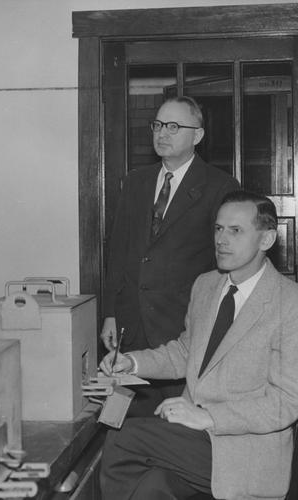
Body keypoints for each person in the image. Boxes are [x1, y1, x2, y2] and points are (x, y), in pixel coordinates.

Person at [99, 190, 298, 500]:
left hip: (242, 452)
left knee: (122, 438)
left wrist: (208, 417)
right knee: (150, 489)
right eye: (219, 229)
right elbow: (185, 353)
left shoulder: (290, 303)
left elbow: (286, 402)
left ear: (266, 239)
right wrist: (132, 362)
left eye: (235, 231)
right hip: (191, 439)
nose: (222, 239)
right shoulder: (206, 285)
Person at [101, 96, 240, 414]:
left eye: (174, 126)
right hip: (131, 324)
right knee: (124, 425)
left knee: (174, 430)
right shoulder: (135, 183)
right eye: (159, 125)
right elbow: (118, 251)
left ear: (198, 136)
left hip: (181, 329)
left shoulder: (220, 187)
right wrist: (110, 311)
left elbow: (226, 263)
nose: (163, 133)